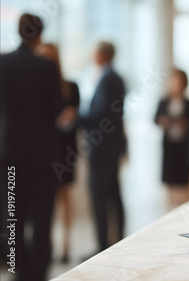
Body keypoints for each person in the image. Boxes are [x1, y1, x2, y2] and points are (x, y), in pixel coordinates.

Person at [0, 14, 64, 281]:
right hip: (40, 156)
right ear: (39, 35)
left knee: (12, 216)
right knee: (41, 218)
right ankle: (37, 274)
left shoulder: (2, 64)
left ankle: (18, 271)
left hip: (10, 155)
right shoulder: (46, 67)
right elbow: (56, 111)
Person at [36, 43, 80, 263]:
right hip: (43, 151)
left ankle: (65, 245)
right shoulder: (35, 86)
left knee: (64, 198)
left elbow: (75, 116)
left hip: (64, 149)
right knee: (45, 201)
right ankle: (47, 246)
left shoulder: (70, 86)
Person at [80, 41, 126, 252]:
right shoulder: (114, 77)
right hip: (111, 148)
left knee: (101, 197)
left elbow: (101, 116)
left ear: (101, 54)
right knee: (114, 194)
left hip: (102, 149)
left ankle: (102, 245)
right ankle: (119, 240)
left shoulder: (107, 79)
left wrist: (76, 118)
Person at [155, 69, 189, 207]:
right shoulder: (164, 101)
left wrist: (183, 123)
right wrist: (165, 121)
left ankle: (184, 205)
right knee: (169, 177)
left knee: (183, 178)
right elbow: (156, 119)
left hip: (183, 145)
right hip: (169, 144)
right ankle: (170, 206)